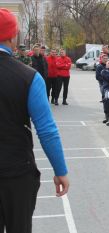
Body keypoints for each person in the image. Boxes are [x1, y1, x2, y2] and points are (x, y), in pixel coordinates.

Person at [0, 8, 69, 233]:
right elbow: (47, 130)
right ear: (12, 37)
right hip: (16, 172)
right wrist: (60, 170)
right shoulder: (28, 76)